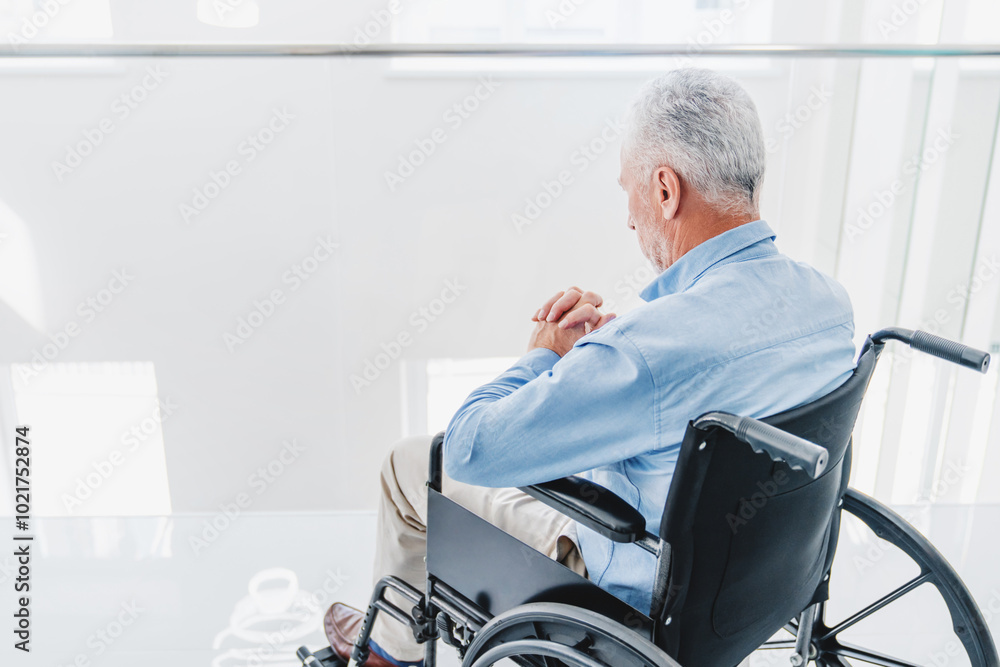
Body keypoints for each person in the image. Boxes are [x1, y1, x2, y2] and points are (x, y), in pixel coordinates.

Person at [323, 68, 857, 667]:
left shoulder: (644, 351)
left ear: (664, 189)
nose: (629, 218)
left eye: (627, 189)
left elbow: (469, 448)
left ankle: (386, 653)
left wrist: (546, 357)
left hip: (631, 597)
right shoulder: (830, 307)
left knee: (408, 465)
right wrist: (613, 369)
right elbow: (723, 364)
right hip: (765, 578)